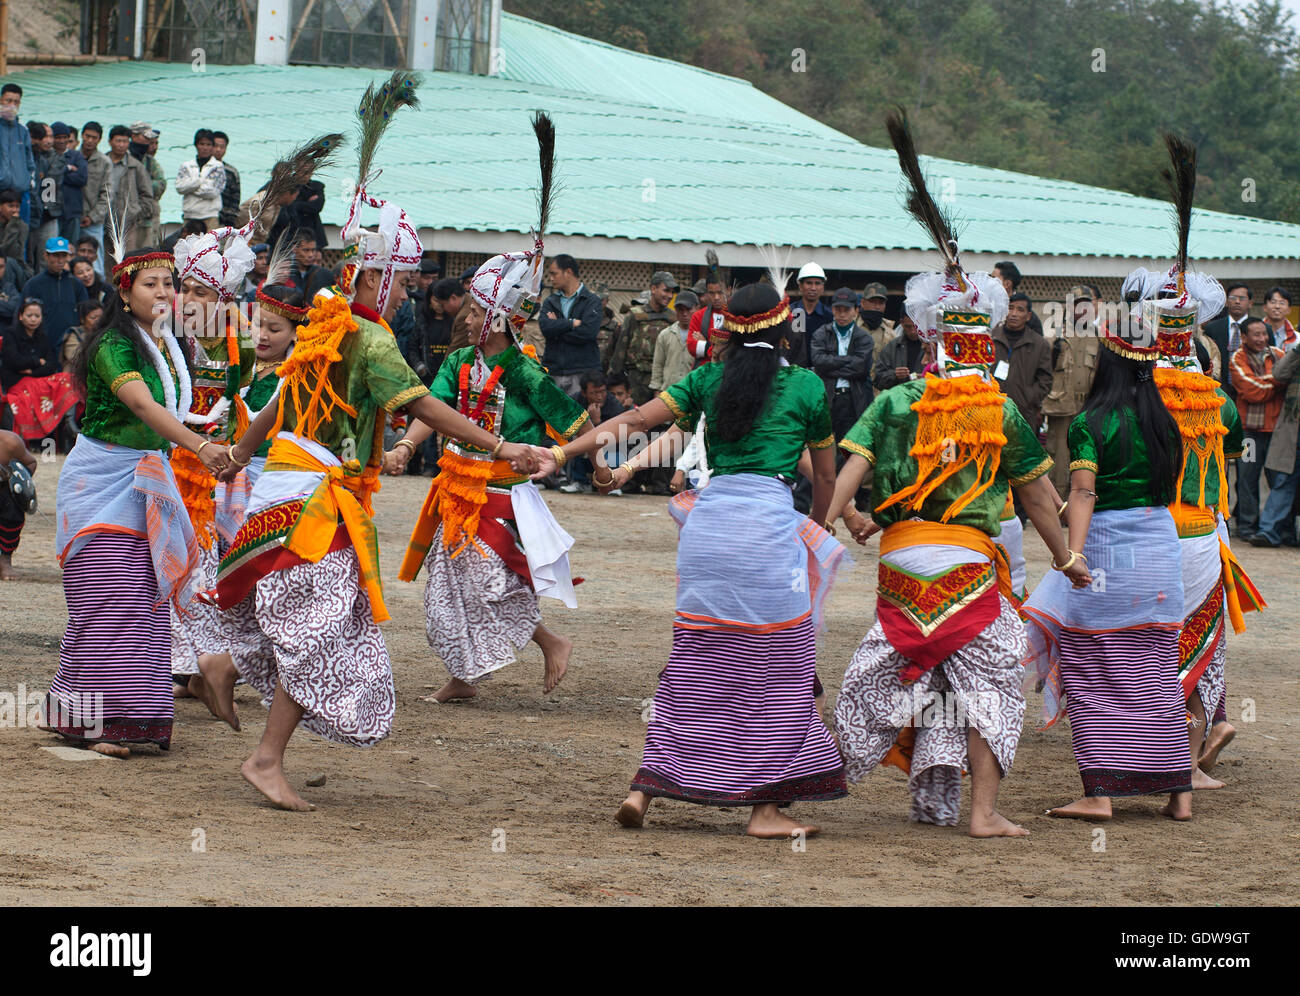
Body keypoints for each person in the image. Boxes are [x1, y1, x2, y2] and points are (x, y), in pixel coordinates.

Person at [204, 80, 537, 811]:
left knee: (315, 616)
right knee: (321, 625)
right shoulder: (366, 334)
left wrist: (238, 449)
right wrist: (500, 446)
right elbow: (418, 404)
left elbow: (286, 397)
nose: (408, 290)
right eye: (404, 277)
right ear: (382, 276)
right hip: (319, 500)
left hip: (285, 485)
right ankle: (264, 754)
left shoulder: (322, 319)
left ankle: (228, 670)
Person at [534, 262, 849, 838]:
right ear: (784, 334)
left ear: (727, 331)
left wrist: (561, 455)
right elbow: (825, 480)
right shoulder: (805, 385)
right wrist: (818, 528)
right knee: (780, 674)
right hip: (767, 532)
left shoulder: (707, 379)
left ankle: (645, 789)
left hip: (707, 531)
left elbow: (634, 419)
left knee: (694, 664)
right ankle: (766, 811)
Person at [829, 114, 1072, 836]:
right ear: (984, 339)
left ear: (929, 336)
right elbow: (1033, 491)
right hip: (968, 563)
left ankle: (828, 782)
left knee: (915, 670)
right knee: (991, 680)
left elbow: (857, 462)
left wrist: (833, 522)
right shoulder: (996, 405)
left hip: (902, 558)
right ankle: (983, 813)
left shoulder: (901, 397)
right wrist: (1068, 557)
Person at [393, 116, 598, 702]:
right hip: (454, 482)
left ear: (503, 318)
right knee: (449, 582)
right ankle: (463, 675)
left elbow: (579, 422)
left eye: (480, 312)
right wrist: (408, 444)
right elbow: (427, 408)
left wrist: (571, 457)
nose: (467, 319)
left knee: (487, 578)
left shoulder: (526, 370)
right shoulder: (459, 362)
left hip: (504, 489)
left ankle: (549, 639)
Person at [1022, 248, 1195, 819]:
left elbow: (1084, 493)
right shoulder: (1166, 422)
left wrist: (1071, 552)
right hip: (1161, 552)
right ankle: (1179, 793)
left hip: (1108, 557)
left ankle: (1100, 795)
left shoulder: (1095, 422)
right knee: (1157, 673)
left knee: (1094, 670)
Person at [43, 243, 231, 756]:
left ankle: (112, 717)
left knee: (139, 602)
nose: (165, 293)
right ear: (125, 293)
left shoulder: (169, 344)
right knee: (109, 597)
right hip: (101, 481)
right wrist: (200, 447)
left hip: (146, 478)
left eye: (170, 283)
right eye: (152, 284)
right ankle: (92, 724)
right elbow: (142, 405)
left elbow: (182, 406)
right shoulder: (114, 346)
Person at [1042, 284, 1101, 496]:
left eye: (1086, 305)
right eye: (1077, 305)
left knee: (1086, 455)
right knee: (1058, 454)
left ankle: (1082, 499)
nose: (1083, 310)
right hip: (1061, 404)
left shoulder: (1100, 337)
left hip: (1089, 406)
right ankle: (1058, 502)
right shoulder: (1054, 334)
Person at [1230, 316, 1283, 540]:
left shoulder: (1278, 354)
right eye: (1256, 334)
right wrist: (1278, 381)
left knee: (1278, 479)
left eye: (1264, 333)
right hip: (1248, 432)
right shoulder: (1237, 358)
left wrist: (1267, 381)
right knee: (1247, 478)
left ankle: (1279, 527)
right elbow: (1253, 391)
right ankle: (1247, 526)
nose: (1262, 338)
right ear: (1244, 337)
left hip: (1276, 430)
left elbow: (1263, 385)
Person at [1, 297, 80, 445]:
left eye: (37, 316)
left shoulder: (42, 335)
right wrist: (37, 361)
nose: (33, 320)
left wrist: (31, 370)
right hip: (17, 381)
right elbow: (14, 361)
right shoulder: (11, 334)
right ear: (20, 316)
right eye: (29, 315)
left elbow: (51, 364)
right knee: (45, 388)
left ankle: (70, 426)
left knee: (68, 379)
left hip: (37, 378)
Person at [810, 287, 874, 441]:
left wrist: (828, 367)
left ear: (856, 311)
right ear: (832, 310)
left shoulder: (864, 337)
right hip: (827, 396)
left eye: (847, 309)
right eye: (838, 309)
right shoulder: (821, 333)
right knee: (821, 443)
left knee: (849, 446)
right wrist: (847, 359)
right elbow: (818, 361)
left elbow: (861, 368)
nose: (842, 314)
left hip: (854, 399)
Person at [1253, 342, 1300, 548]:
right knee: (1283, 481)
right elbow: (1279, 374)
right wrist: (1297, 351)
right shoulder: (1296, 354)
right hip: (1294, 430)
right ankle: (1268, 531)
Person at [537, 253, 602, 397]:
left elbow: (587, 333)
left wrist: (557, 328)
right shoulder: (550, 301)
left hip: (582, 373)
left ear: (568, 272)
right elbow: (545, 328)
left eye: (554, 274)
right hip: (554, 371)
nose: (551, 278)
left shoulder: (591, 301)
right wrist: (571, 323)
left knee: (579, 417)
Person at [992, 291, 1053, 433]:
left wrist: (1028, 398)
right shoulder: (991, 338)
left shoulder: (1039, 344)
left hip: (1023, 415)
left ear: (1028, 316)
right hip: (991, 409)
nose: (1013, 313)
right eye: (1010, 308)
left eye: (1020, 310)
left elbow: (1046, 380)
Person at [22, 236, 86, 351]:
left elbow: (85, 312)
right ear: (46, 256)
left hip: (70, 345)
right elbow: (22, 314)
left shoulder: (75, 283)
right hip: (42, 345)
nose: (60, 260)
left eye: (64, 255)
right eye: (56, 255)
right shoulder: (34, 284)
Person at [105, 126, 156, 253]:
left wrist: (135, 213)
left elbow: (147, 195)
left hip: (128, 224)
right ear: (110, 142)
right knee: (106, 262)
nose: (121, 145)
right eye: (118, 141)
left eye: (125, 141)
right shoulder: (102, 162)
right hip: (103, 222)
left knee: (127, 261)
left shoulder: (135, 166)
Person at [0, 427, 37, 579]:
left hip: (2, 492)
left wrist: (10, 475)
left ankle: (4, 560)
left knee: (12, 508)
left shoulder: (10, 442)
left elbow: (30, 463)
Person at [649, 288, 698, 394]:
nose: (685, 314)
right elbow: (658, 365)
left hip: (692, 393)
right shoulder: (665, 335)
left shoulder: (702, 335)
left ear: (697, 309)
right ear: (675, 310)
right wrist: (657, 391)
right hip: (668, 391)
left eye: (688, 309)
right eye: (681, 310)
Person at [175, 129, 225, 228]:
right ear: (196, 145)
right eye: (202, 144)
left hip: (210, 216)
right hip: (189, 215)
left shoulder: (217, 166)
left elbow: (212, 191)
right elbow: (179, 187)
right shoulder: (186, 166)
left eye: (208, 144)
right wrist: (200, 182)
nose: (205, 148)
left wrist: (190, 187)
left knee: (210, 243)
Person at [77, 122, 110, 277]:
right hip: (73, 218)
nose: (89, 140)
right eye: (87, 136)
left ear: (99, 139)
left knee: (95, 260)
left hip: (93, 222)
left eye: (94, 138)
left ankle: (98, 296)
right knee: (73, 258)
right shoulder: (72, 157)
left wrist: (92, 217)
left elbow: (107, 195)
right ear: (82, 136)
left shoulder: (104, 162)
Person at [0, 85, 35, 228]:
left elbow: (30, 163)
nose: (11, 105)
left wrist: (29, 183)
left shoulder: (23, 131)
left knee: (19, 238)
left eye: (16, 102)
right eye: (8, 100)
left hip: (20, 195)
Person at [871, 311, 928, 389]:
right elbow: (877, 380)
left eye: (915, 326)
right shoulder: (892, 347)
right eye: (908, 326)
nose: (912, 331)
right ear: (901, 323)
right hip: (899, 397)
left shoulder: (931, 346)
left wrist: (925, 378)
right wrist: (894, 375)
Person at [788, 261, 829, 367]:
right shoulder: (793, 313)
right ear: (800, 286)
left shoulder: (828, 315)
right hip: (795, 371)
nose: (813, 288)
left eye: (817, 283)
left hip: (822, 372)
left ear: (822, 287)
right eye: (809, 283)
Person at [991, 260, 1043, 334]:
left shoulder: (1028, 317)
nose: (989, 282)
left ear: (1007, 284)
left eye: (993, 279)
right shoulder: (987, 307)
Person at [62, 298, 103, 373]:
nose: (98, 321)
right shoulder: (75, 334)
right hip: (78, 374)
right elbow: (74, 357)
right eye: (93, 318)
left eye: (101, 317)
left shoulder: (107, 333)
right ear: (82, 320)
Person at [211, 131, 241, 228]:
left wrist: (230, 222)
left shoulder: (231, 172)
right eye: (215, 146)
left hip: (223, 222)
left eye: (222, 147)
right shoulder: (198, 168)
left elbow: (235, 199)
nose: (218, 150)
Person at [857, 281, 894, 355]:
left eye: (881, 303)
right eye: (873, 302)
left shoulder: (890, 334)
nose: (877, 307)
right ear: (863, 303)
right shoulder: (851, 328)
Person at [1262, 286, 1298, 352]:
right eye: (1273, 302)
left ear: (1289, 310)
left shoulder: (1297, 339)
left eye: (1282, 303)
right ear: (1264, 307)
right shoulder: (1252, 335)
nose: (1277, 306)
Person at [0, 188, 29, 267]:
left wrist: (13, 225)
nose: (15, 210)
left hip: (16, 266)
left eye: (17, 206)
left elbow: (13, 254)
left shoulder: (22, 226)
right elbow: (3, 253)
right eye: (10, 206)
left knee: (9, 263)